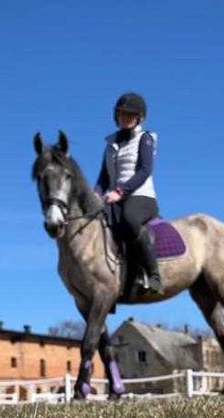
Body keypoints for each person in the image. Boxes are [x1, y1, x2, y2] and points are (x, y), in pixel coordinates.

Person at [95, 92, 162, 294]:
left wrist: (120, 191)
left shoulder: (145, 138)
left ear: (139, 118)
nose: (125, 118)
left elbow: (145, 170)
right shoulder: (110, 144)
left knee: (128, 218)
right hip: (114, 198)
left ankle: (153, 274)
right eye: (122, 114)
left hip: (141, 196)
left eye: (130, 115)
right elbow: (103, 177)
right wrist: (96, 194)